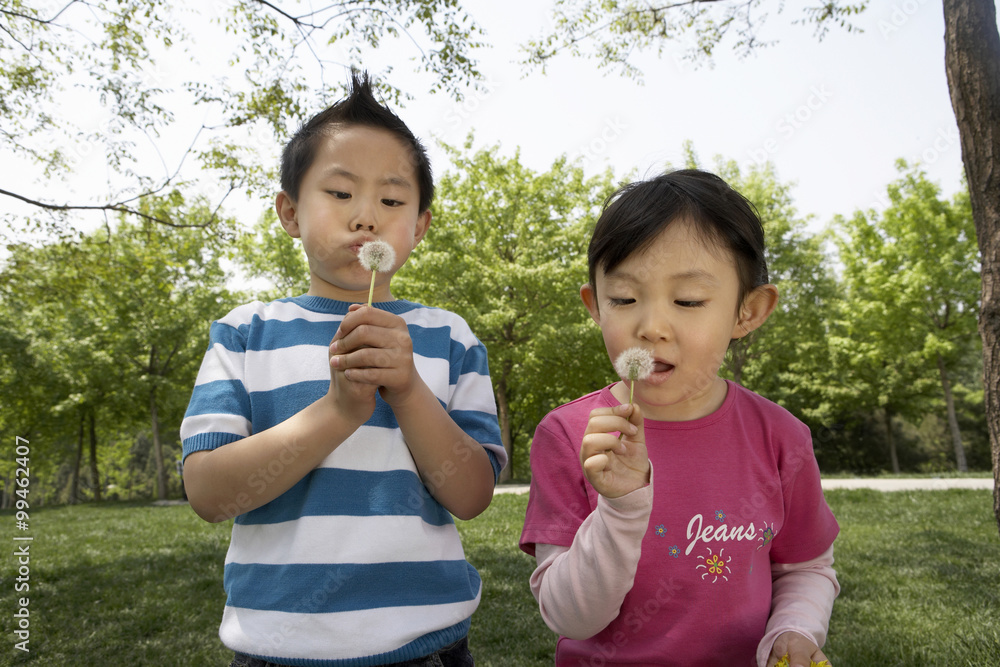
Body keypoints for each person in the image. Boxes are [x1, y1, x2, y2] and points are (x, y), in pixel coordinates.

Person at [180, 71, 506, 667]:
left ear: (421, 224)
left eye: (391, 200)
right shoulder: (244, 334)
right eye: (339, 193)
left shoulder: (448, 337)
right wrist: (338, 411)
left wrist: (406, 391)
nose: (366, 217)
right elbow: (208, 493)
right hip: (275, 648)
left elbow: (472, 494)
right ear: (289, 212)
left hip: (426, 645)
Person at [519, 169, 840, 667]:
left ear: (747, 312)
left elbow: (805, 566)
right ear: (595, 306)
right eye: (623, 299)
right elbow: (569, 617)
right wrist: (621, 507)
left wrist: (794, 629)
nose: (650, 327)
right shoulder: (569, 435)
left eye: (688, 300)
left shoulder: (781, 438)